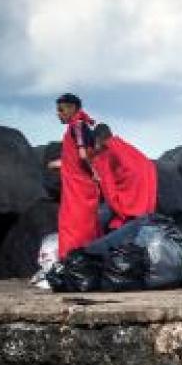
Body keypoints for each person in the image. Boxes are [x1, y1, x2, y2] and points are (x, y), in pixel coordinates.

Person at [49, 93, 101, 258]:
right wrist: (60, 164)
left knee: (73, 223)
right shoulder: (81, 125)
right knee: (84, 224)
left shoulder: (77, 125)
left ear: (72, 109)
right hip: (80, 185)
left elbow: (83, 155)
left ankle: (71, 258)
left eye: (61, 110)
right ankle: (83, 258)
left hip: (79, 187)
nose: (58, 114)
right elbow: (78, 158)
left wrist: (94, 174)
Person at [90, 124, 157, 230]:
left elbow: (107, 184)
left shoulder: (106, 152)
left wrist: (116, 204)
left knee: (95, 220)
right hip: (146, 199)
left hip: (129, 201)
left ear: (98, 139)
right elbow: (148, 166)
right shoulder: (125, 147)